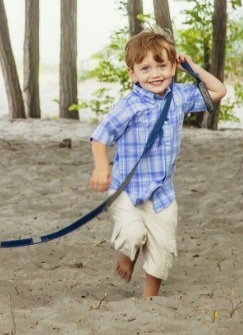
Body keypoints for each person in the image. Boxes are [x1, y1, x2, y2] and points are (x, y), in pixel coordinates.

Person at [89, 28, 227, 297]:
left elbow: (219, 90)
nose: (155, 74)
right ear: (132, 74)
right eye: (145, 68)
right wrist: (102, 166)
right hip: (126, 191)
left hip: (162, 194)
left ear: (173, 67)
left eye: (162, 65)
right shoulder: (129, 105)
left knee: (163, 249)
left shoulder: (179, 96)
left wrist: (191, 68)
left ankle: (149, 300)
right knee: (131, 234)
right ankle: (127, 255)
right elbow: (100, 136)